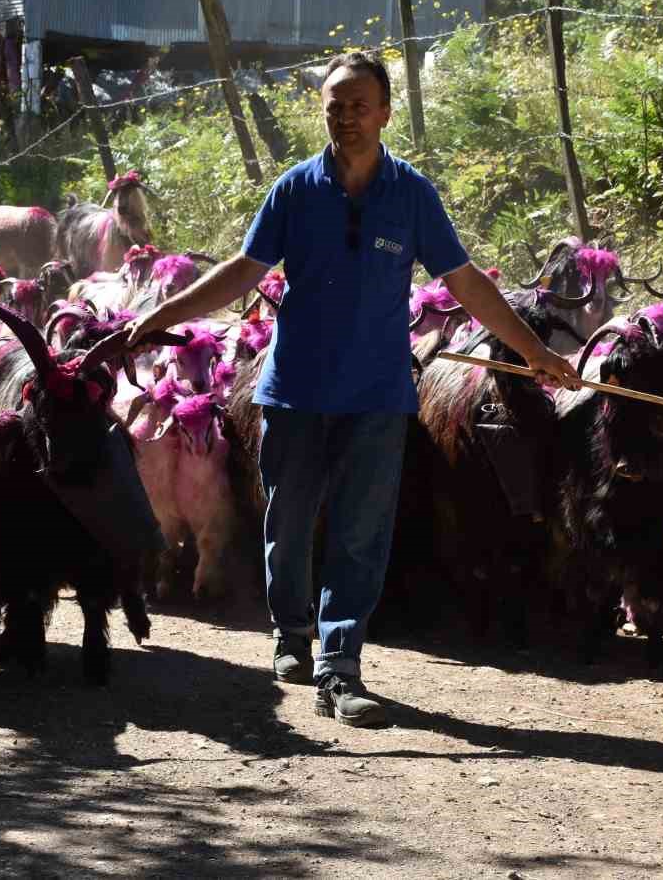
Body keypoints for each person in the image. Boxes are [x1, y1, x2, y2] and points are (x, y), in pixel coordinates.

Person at [126, 52, 577, 726]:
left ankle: (340, 667)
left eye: (359, 104)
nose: (346, 116)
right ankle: (290, 629)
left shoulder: (413, 195)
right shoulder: (295, 190)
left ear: (386, 112)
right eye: (335, 105)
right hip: (296, 392)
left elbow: (464, 282)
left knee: (362, 534)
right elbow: (243, 269)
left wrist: (532, 348)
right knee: (289, 522)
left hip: (377, 396)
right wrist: (162, 314)